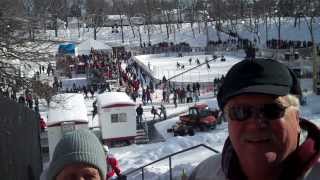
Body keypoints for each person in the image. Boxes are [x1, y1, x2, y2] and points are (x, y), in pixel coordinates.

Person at [189, 58, 320, 180]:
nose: (254, 124)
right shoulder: (204, 174)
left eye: (271, 110)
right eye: (239, 112)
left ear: (297, 118)